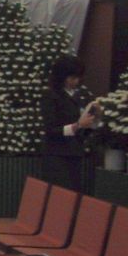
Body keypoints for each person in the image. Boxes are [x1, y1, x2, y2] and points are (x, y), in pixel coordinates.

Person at [40, 55, 101, 192]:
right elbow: (51, 129)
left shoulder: (79, 96)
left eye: (78, 77)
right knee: (59, 193)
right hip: (57, 154)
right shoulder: (50, 95)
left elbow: (82, 128)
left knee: (74, 193)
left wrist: (92, 123)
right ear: (61, 76)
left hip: (75, 152)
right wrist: (77, 125)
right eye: (72, 78)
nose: (76, 81)